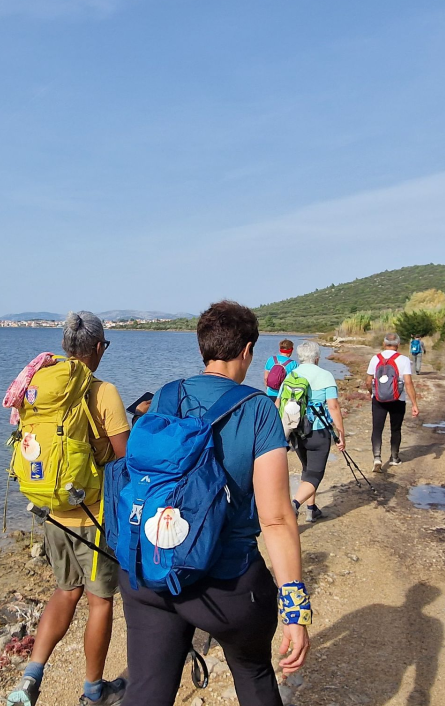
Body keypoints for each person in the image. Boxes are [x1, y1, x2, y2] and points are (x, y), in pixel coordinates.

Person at [120, 301, 308, 706]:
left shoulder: (166, 396)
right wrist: (295, 610)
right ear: (247, 351)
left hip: (152, 568)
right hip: (228, 583)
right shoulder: (259, 409)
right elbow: (275, 519)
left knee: (146, 693)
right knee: (254, 674)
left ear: (202, 348)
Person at [7, 312, 129, 706]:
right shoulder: (101, 391)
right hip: (93, 515)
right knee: (100, 601)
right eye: (104, 347)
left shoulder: (38, 385)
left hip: (49, 510)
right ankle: (94, 690)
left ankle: (30, 677)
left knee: (64, 591)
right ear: (97, 348)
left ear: (64, 347)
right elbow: (124, 457)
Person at [286, 340, 346, 522]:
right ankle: (293, 506)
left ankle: (311, 509)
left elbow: (280, 402)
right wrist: (341, 434)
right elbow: (333, 407)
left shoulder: (291, 374)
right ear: (317, 358)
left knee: (307, 469)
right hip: (319, 432)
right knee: (315, 474)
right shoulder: (325, 375)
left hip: (297, 433)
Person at [365, 333, 420, 473]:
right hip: (398, 400)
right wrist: (414, 404)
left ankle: (377, 458)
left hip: (378, 399)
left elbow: (368, 381)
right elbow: (408, 382)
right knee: (395, 429)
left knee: (377, 429)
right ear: (398, 344)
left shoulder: (375, 358)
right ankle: (394, 458)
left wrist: (371, 393)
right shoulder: (404, 360)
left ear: (384, 344)